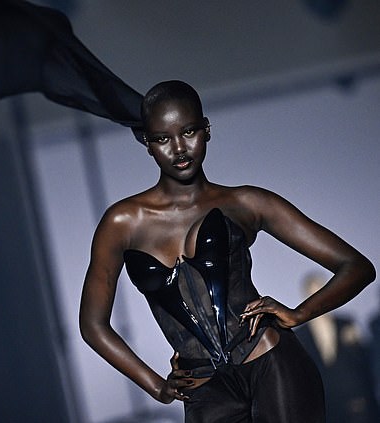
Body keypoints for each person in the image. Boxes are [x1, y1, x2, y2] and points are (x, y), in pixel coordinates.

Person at [79, 80, 376, 423]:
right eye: (163, 138)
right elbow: (92, 324)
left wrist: (300, 313)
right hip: (204, 391)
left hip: (271, 364)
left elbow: (356, 267)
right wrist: (157, 387)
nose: (179, 148)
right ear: (147, 143)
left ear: (206, 130)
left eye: (189, 131)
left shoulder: (246, 203)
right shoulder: (122, 223)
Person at [295, 272, 380, 423]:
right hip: (325, 410)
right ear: (306, 297)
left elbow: (367, 364)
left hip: (358, 406)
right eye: (314, 293)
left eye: (323, 291)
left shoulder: (346, 324)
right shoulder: (300, 337)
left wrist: (356, 343)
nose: (320, 298)